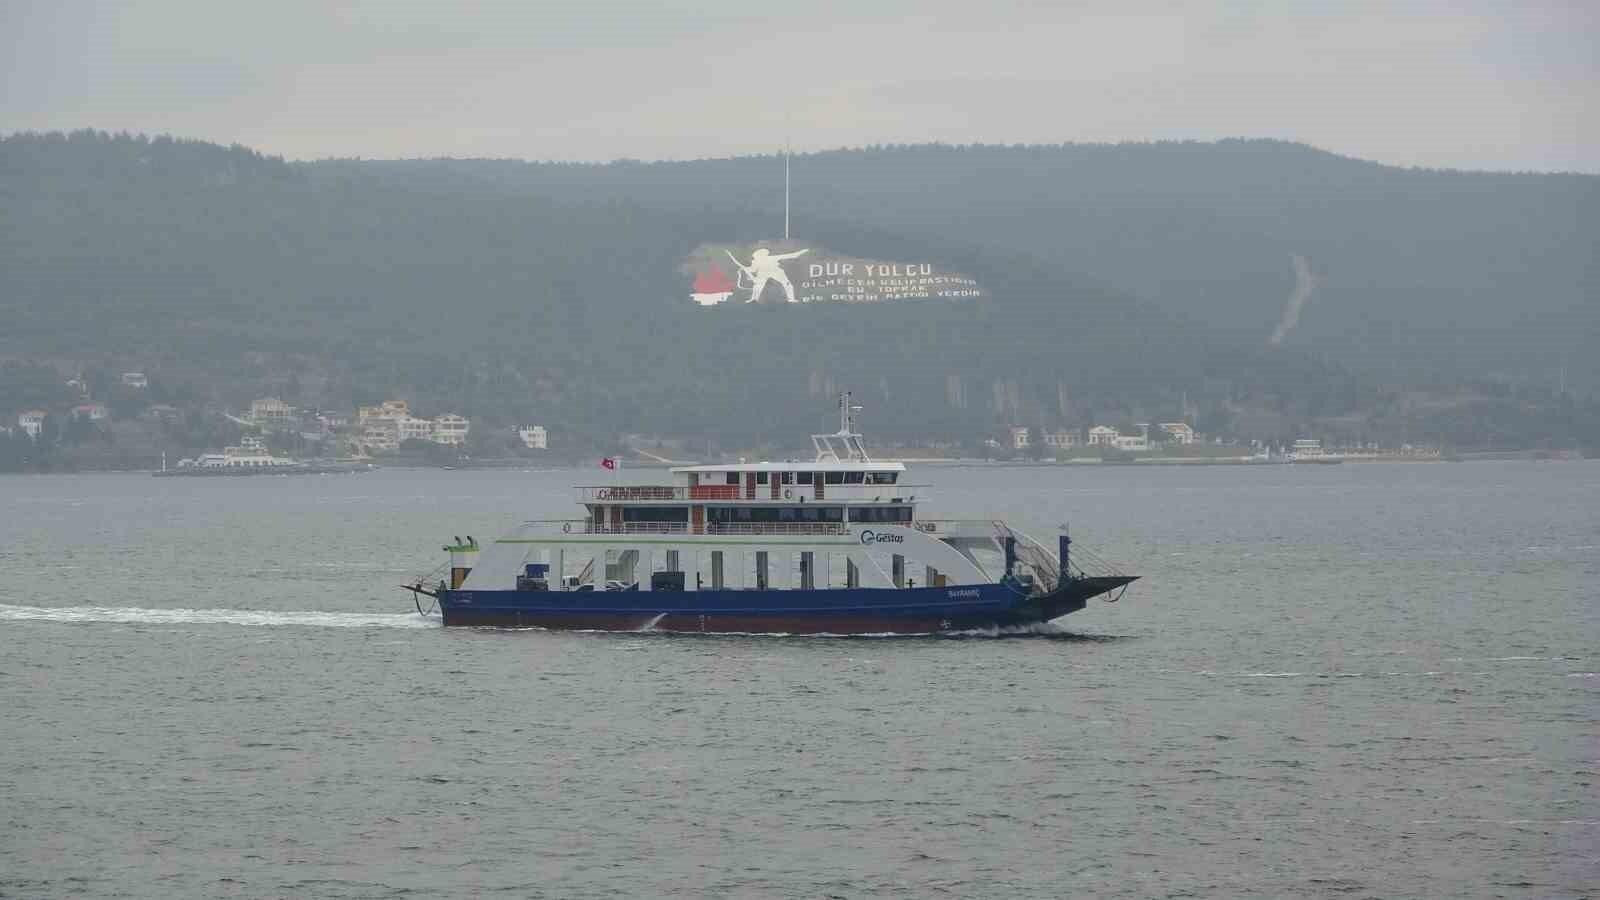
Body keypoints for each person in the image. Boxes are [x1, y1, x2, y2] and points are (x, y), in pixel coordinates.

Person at [730, 247, 809, 303]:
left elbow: (792, 255)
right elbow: (752, 269)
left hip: (776, 271)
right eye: (759, 255)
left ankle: (791, 299)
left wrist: (803, 251)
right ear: (757, 256)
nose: (761, 256)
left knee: (787, 284)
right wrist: (744, 269)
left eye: (763, 254)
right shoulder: (756, 261)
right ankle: (754, 299)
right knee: (758, 286)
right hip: (763, 273)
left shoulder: (771, 258)